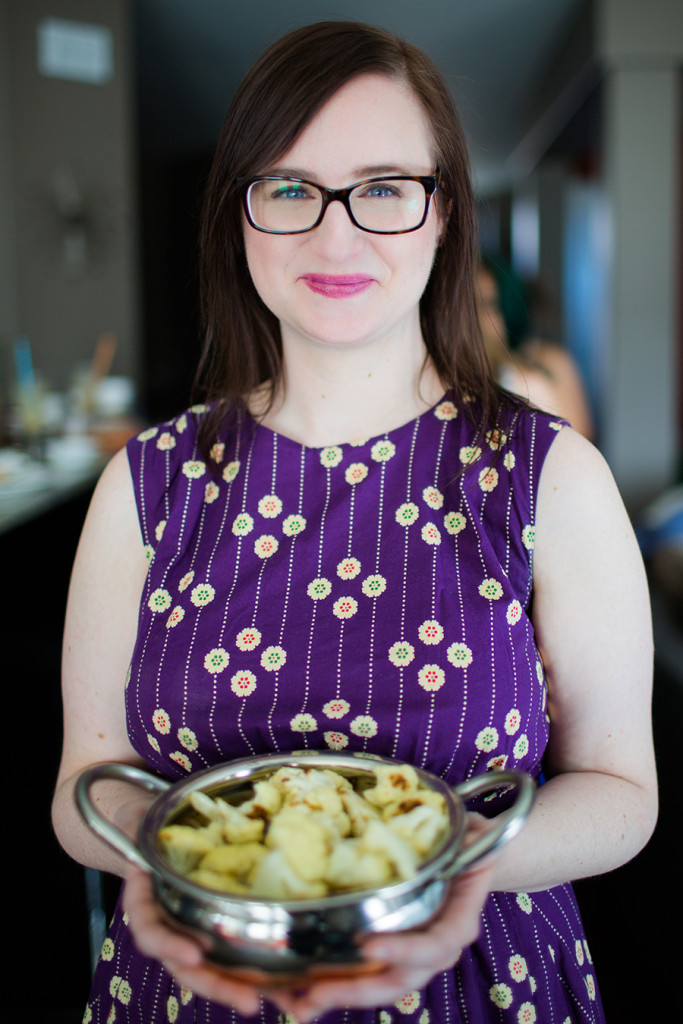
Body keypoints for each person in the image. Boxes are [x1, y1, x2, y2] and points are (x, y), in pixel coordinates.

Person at [52, 21, 657, 1024]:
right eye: (289, 188)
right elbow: (86, 780)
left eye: (382, 187)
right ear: (239, 215)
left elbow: (618, 789)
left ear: (440, 213)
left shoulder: (551, 478)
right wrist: (166, 870)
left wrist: (449, 876)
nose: (336, 235)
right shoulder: (144, 485)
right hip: (191, 985)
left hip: (479, 982)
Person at [477, 256, 596, 441]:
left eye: (488, 304)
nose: (475, 317)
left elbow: (579, 440)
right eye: (469, 305)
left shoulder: (544, 371)